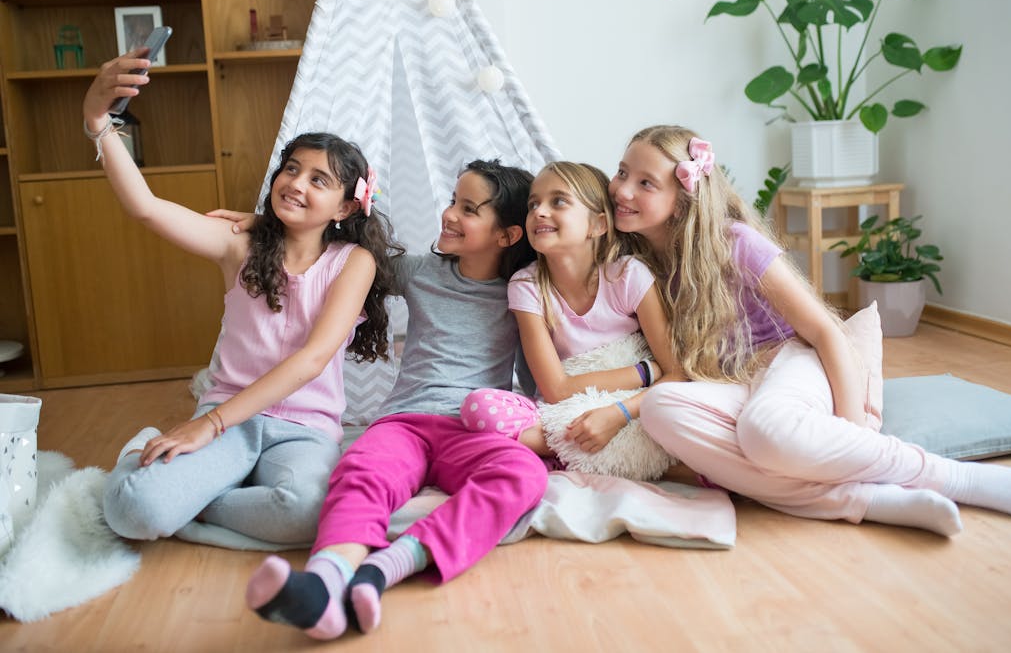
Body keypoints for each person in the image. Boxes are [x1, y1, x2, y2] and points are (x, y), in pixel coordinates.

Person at [610, 124, 1011, 536]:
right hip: (736, 381)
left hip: (795, 359)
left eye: (646, 183)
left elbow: (825, 331)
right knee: (661, 406)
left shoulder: (734, 243)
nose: (622, 190)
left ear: (682, 201)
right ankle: (866, 499)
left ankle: (963, 480)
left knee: (763, 431)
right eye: (623, 172)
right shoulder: (638, 263)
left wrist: (852, 430)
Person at [84, 50, 403, 547]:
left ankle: (198, 499)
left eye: (318, 180)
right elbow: (146, 209)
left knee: (308, 514)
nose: (295, 183)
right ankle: (157, 475)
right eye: (291, 170)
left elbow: (313, 359)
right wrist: (98, 120)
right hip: (230, 416)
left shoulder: (352, 262)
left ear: (345, 206)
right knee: (134, 510)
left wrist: (206, 426)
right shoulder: (240, 244)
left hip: (305, 431)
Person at [243, 159, 549, 640]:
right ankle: (325, 583)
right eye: (453, 200)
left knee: (524, 474)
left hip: (474, 429)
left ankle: (386, 567)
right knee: (360, 470)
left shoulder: (525, 293)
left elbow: (536, 383)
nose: (448, 214)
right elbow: (336, 253)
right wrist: (264, 227)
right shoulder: (420, 272)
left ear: (508, 235)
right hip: (403, 421)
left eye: (468, 209)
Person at [458, 161, 681, 457]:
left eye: (558, 201)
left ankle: (586, 449)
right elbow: (555, 389)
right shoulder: (527, 285)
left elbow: (676, 374)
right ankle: (597, 450)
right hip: (562, 411)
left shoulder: (627, 275)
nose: (539, 211)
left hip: (630, 408)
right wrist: (643, 373)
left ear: (598, 224)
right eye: (533, 203)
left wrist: (618, 414)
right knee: (480, 409)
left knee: (684, 411)